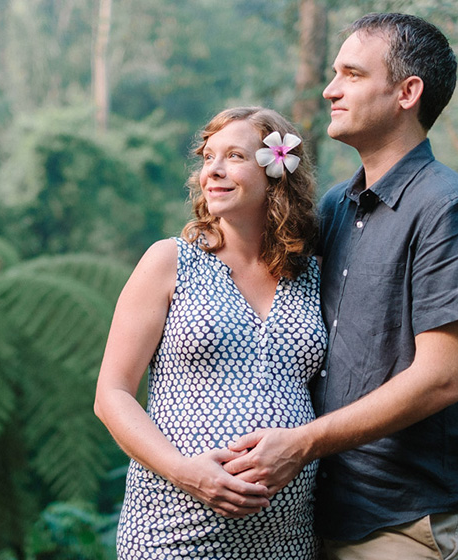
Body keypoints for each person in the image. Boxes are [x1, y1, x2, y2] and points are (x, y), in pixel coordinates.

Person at [223, 13, 458, 560]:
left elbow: (442, 378)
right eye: (333, 73)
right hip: (317, 514)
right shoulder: (334, 209)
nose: (330, 89)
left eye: (351, 74)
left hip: (406, 523)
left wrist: (299, 445)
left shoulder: (447, 207)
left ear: (406, 92)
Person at [94, 106, 327, 559]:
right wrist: (187, 473)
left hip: (286, 542)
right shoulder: (169, 262)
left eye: (234, 156)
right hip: (172, 535)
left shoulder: (314, 275)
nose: (212, 171)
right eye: (208, 157)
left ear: (277, 172)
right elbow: (111, 395)